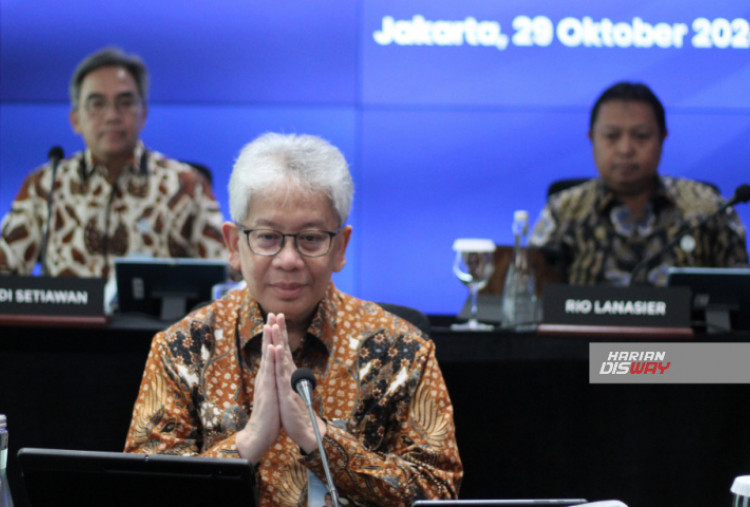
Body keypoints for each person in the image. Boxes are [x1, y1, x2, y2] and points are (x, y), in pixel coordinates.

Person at [124, 133, 463, 505]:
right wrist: (248, 443)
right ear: (234, 245)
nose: (289, 259)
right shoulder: (183, 347)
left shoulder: (402, 350)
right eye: (268, 237)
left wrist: (317, 438)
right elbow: (146, 490)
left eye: (311, 239)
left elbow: (437, 491)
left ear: (340, 248)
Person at [0, 47, 225, 278]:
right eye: (97, 104)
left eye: (125, 103)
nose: (112, 116)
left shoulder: (186, 185)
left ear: (143, 114)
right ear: (75, 119)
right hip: (70, 314)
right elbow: (5, 270)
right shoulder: (45, 185)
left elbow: (227, 275)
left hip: (157, 315)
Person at [530, 81, 748, 286]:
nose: (625, 149)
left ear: (662, 138)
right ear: (592, 139)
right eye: (612, 136)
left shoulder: (707, 208)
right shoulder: (564, 210)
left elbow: (740, 296)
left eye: (641, 136)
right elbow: (529, 292)